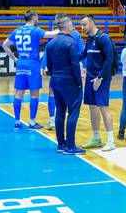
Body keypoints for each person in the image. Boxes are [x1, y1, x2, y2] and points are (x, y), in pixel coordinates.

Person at [2, 10, 58, 130]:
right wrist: (63, 28)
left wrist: (14, 58)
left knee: (19, 92)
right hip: (32, 64)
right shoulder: (35, 30)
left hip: (21, 63)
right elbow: (52, 34)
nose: (37, 19)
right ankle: (32, 122)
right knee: (34, 94)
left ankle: (17, 121)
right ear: (33, 18)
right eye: (37, 17)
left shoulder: (17, 30)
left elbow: (4, 45)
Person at [45, 15, 85, 155]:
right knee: (73, 112)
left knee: (60, 112)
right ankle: (70, 145)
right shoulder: (71, 42)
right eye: (71, 25)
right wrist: (79, 82)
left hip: (55, 81)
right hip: (69, 82)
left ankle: (61, 144)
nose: (73, 27)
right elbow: (74, 64)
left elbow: (49, 65)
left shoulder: (51, 43)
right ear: (67, 26)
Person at [80, 15, 116, 152]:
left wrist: (100, 77)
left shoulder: (103, 38)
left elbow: (109, 60)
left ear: (92, 23)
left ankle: (111, 141)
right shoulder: (89, 40)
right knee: (92, 107)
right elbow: (82, 55)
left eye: (84, 25)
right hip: (90, 78)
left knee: (103, 107)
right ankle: (97, 138)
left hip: (101, 79)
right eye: (81, 25)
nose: (82, 28)